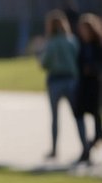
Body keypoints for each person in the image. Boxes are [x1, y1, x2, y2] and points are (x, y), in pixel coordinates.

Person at [39, 9, 86, 162]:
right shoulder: (71, 40)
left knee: (55, 118)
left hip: (55, 81)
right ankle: (85, 147)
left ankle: (54, 149)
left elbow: (44, 63)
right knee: (78, 116)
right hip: (71, 80)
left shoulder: (51, 43)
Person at [73, 13, 101, 163]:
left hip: (95, 85)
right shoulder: (81, 45)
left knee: (96, 115)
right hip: (83, 85)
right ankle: (85, 147)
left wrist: (94, 69)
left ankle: (95, 139)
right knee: (78, 113)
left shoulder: (98, 45)